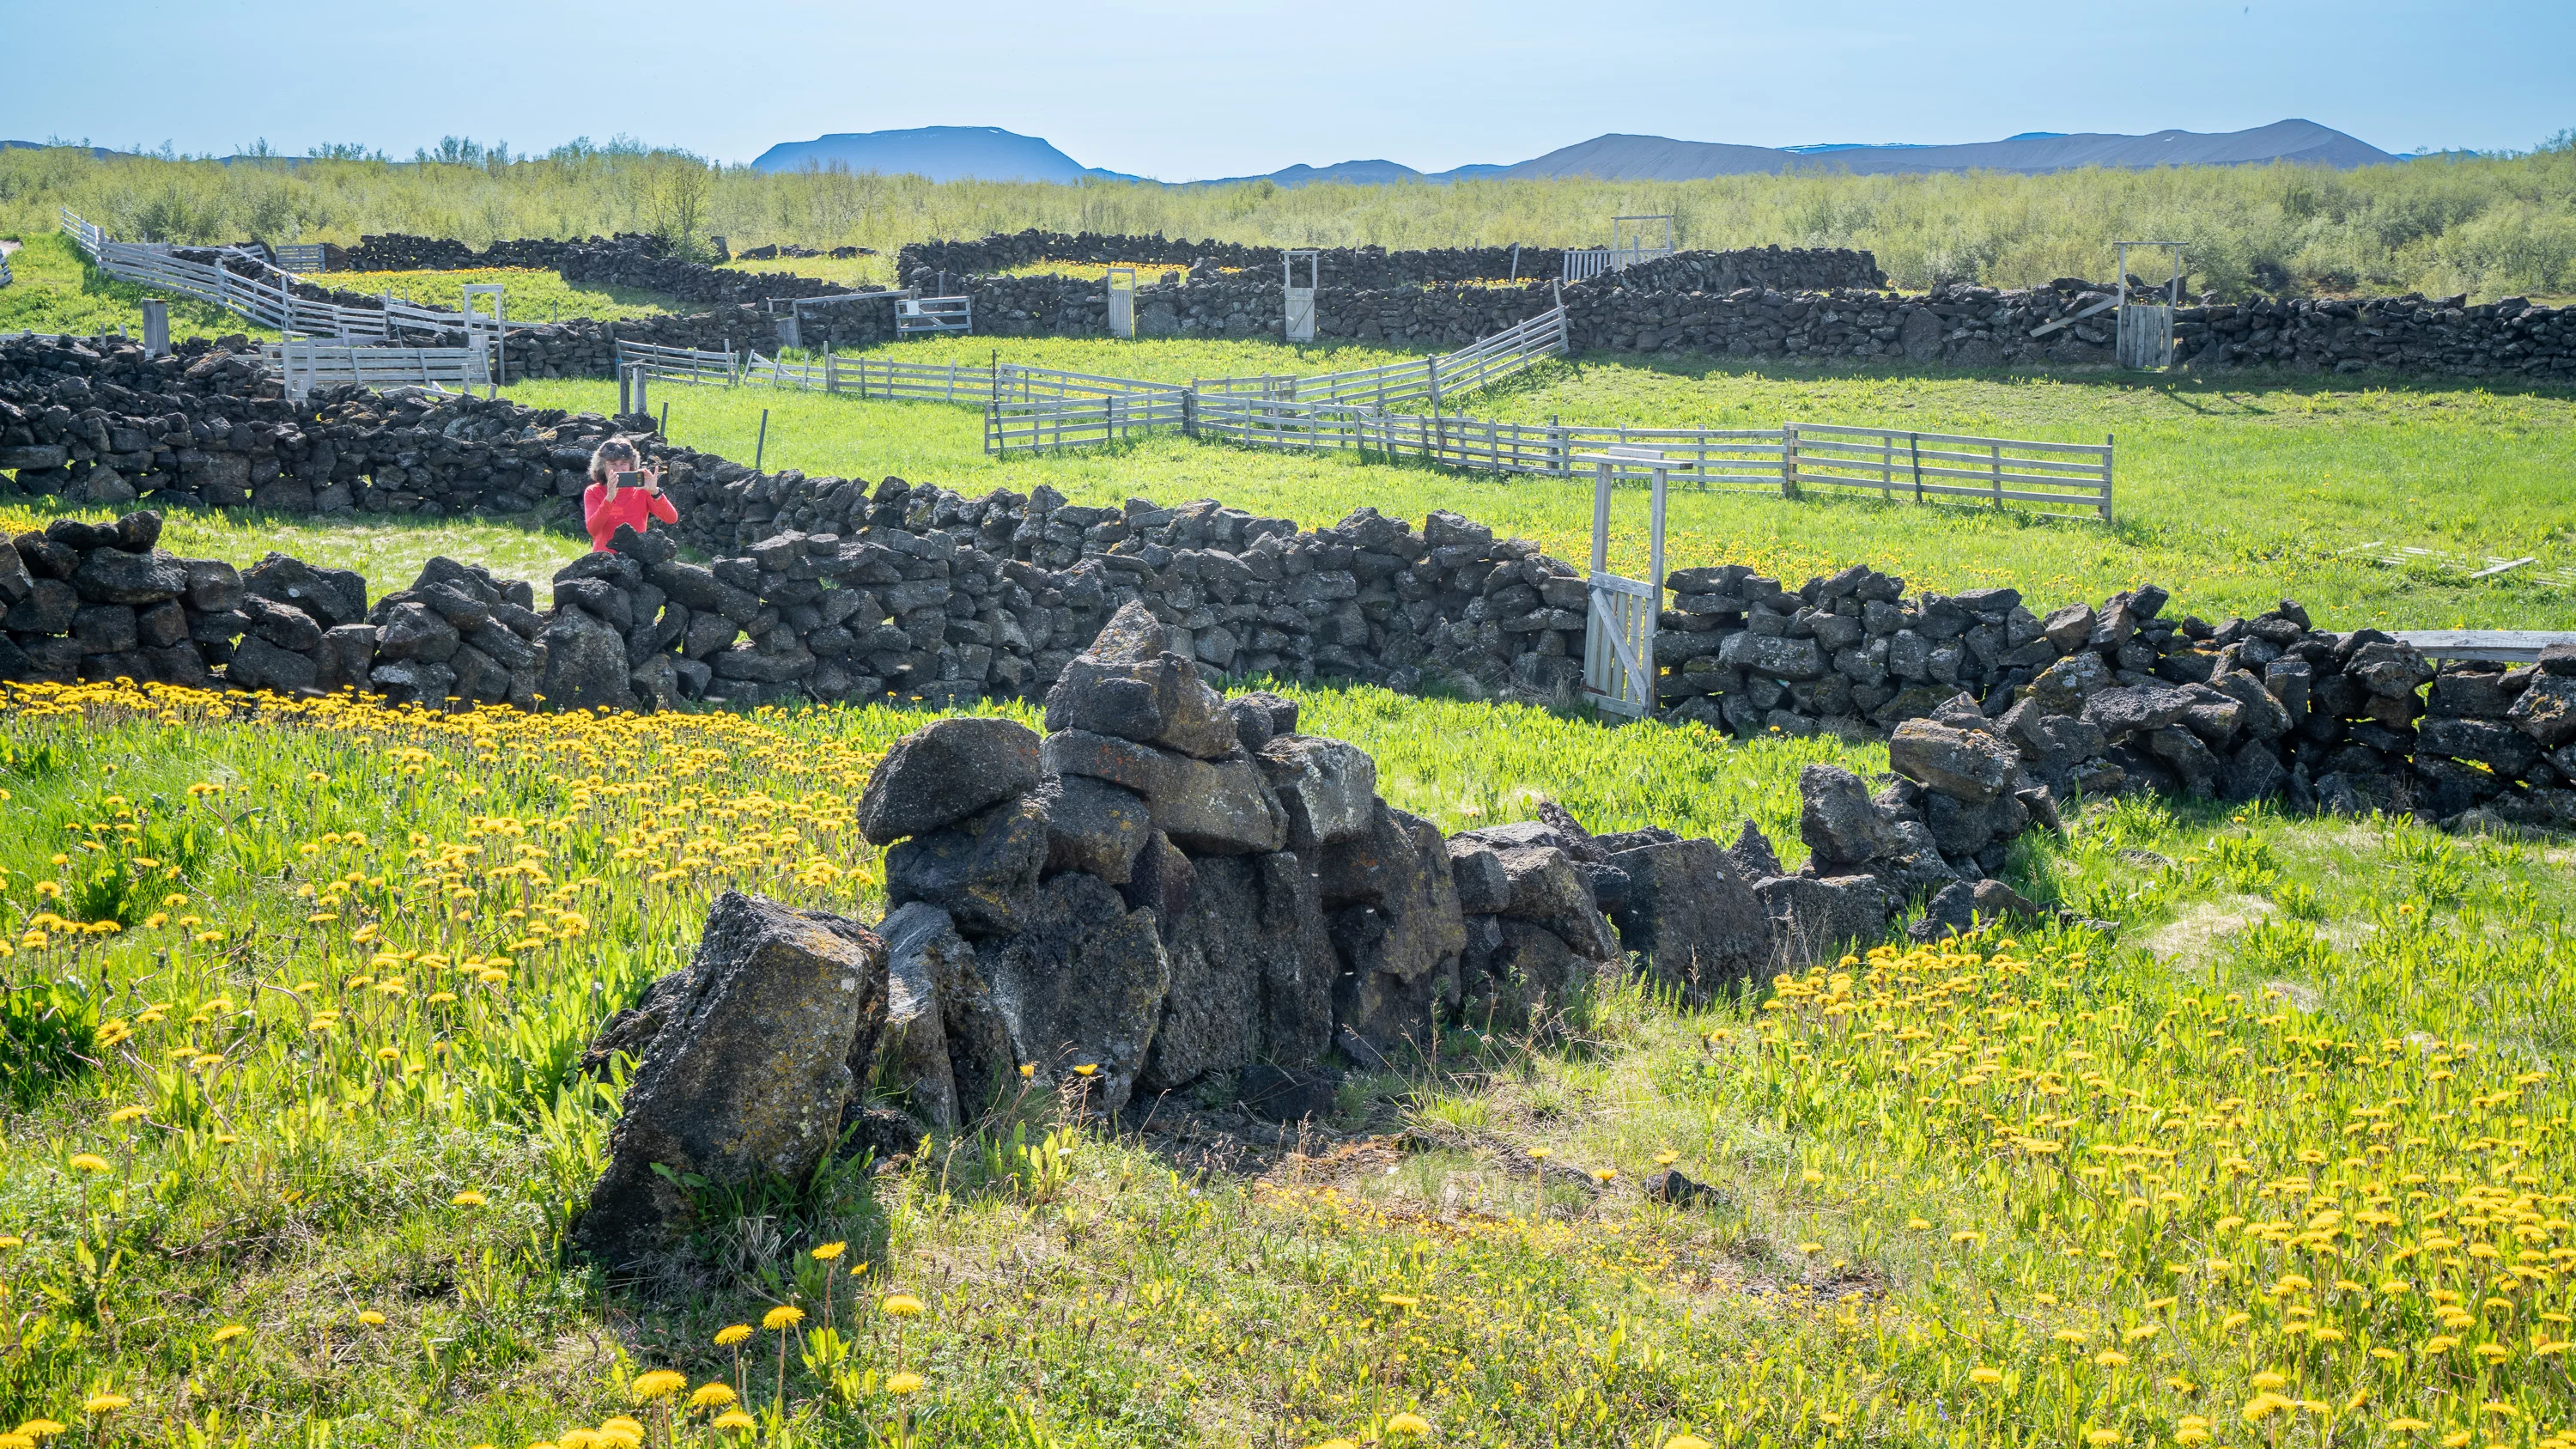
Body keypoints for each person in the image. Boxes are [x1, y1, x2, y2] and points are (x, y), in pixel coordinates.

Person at [582, 438, 678, 552]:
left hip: (636, 559)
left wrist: (655, 492)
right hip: (605, 559)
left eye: (623, 464)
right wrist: (609, 498)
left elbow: (671, 519)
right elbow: (593, 530)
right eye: (613, 464)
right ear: (603, 467)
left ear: (631, 466)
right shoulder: (593, 491)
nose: (619, 469)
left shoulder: (641, 489)